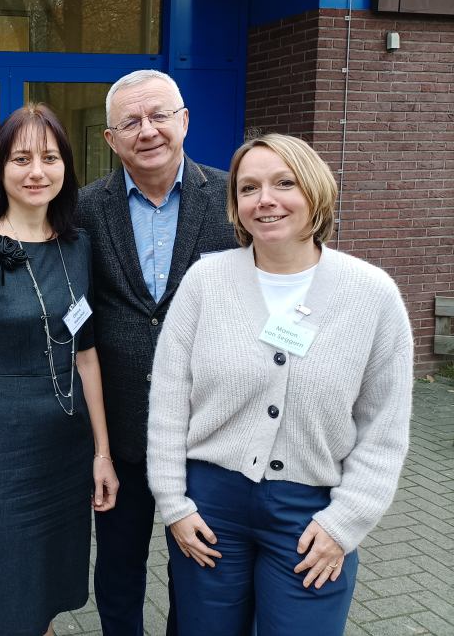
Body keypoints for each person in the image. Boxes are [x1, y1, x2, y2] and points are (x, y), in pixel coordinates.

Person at [147, 132, 413, 635]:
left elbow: (383, 428)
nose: (264, 200)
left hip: (311, 513)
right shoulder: (206, 282)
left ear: (315, 192)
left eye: (283, 183)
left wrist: (346, 522)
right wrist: (173, 504)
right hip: (209, 509)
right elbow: (167, 401)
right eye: (248, 189)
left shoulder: (371, 295)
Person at [0, 104, 119, 636]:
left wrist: (101, 454)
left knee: (40, 596)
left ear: (66, 168)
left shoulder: (77, 245)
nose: (37, 171)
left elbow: (86, 356)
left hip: (63, 452)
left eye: (50, 157)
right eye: (21, 158)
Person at [76, 69, 238, 635]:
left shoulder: (232, 198)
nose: (147, 131)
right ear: (110, 139)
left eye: (160, 116)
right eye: (131, 121)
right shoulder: (83, 210)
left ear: (185, 121)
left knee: (194, 569)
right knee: (119, 569)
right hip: (119, 435)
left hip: (205, 435)